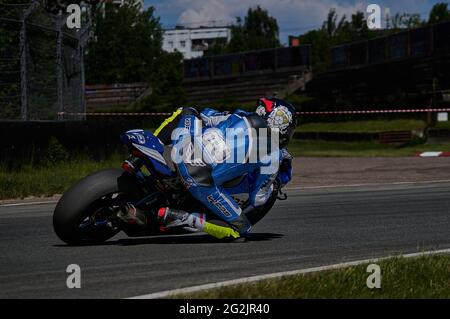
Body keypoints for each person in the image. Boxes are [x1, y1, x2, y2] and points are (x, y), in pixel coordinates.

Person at [119, 97, 297, 239]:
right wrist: (272, 183)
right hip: (199, 178)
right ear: (281, 125)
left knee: (188, 111)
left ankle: (147, 149)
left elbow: (206, 115)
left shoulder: (238, 116)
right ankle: (182, 217)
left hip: (182, 150)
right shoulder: (273, 153)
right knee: (241, 229)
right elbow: (258, 199)